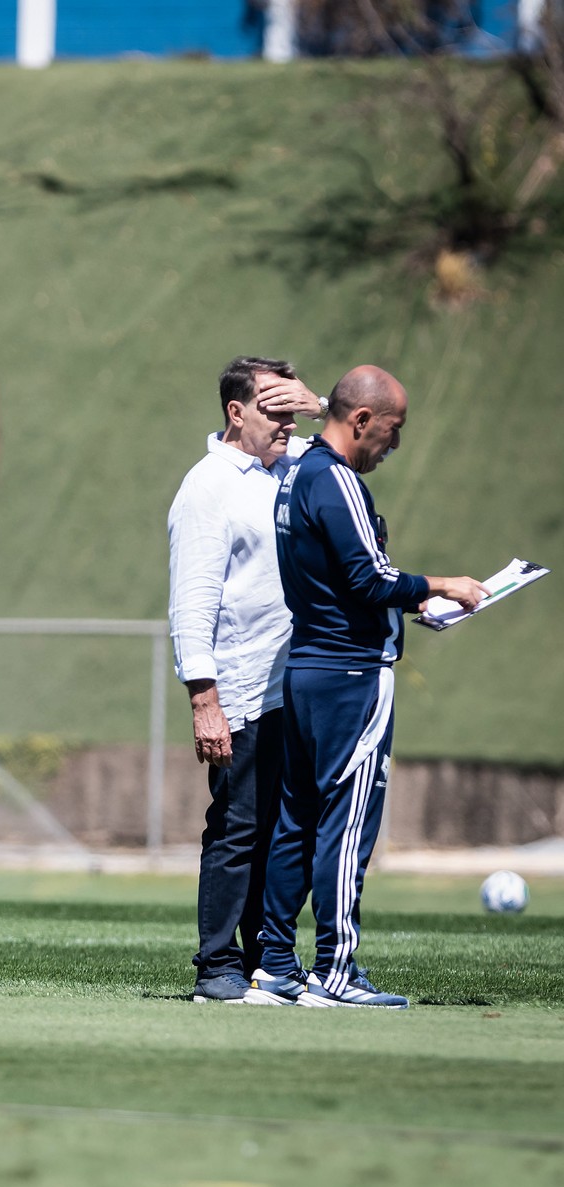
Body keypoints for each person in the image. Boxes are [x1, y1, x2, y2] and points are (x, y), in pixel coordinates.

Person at [245, 366, 486, 1009]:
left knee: (296, 820)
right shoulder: (338, 480)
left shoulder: (296, 473)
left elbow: (344, 579)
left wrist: (410, 601)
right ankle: (336, 971)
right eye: (393, 429)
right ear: (361, 421)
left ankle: (275, 965)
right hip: (351, 677)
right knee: (346, 824)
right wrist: (443, 585)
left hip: (307, 670)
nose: (395, 443)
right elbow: (370, 579)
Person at [167, 356, 326, 1004]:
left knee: (284, 828)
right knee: (238, 827)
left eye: (292, 409)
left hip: (294, 684)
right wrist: (204, 702)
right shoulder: (208, 486)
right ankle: (217, 966)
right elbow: (192, 602)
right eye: (273, 408)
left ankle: (269, 961)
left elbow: (354, 450)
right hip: (241, 686)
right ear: (236, 413)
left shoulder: (291, 464)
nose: (287, 422)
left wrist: (318, 404)